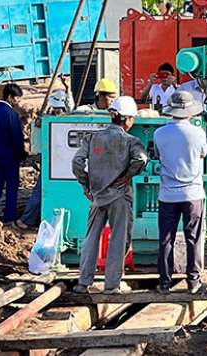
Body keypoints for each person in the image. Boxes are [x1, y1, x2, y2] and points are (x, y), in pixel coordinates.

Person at [72, 96, 149, 294]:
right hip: (119, 196)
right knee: (118, 238)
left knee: (91, 238)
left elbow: (77, 163)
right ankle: (112, 285)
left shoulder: (92, 138)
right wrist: (127, 175)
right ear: (128, 119)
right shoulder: (131, 141)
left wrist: (86, 184)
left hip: (96, 196)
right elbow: (141, 159)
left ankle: (83, 282)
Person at [153, 92, 207, 294]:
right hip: (193, 194)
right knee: (193, 237)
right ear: (189, 111)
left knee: (166, 238)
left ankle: (164, 283)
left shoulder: (159, 133)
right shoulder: (198, 133)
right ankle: (193, 282)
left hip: (167, 194)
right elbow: (204, 153)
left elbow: (158, 155)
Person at [15, 91, 69, 230]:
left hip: (51, 162)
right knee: (44, 192)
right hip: (63, 164)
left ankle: (27, 220)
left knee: (40, 192)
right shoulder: (68, 120)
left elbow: (36, 147)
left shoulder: (45, 121)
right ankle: (31, 220)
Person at [0, 84, 26, 225]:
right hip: (10, 156)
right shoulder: (11, 114)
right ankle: (9, 216)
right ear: (10, 97)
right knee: (11, 187)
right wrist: (22, 154)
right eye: (16, 99)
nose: (17, 102)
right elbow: (16, 138)